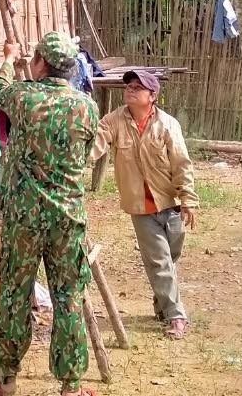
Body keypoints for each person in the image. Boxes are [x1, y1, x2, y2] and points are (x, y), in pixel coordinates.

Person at [0, 32, 100, 396]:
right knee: (68, 297)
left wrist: (8, 56)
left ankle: (6, 380)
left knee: (15, 294)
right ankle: (71, 385)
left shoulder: (22, 97)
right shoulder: (86, 107)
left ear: (40, 63)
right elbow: (85, 152)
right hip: (67, 219)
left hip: (23, 219)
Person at [90, 69, 198, 340]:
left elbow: (182, 164)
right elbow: (96, 143)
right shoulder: (114, 120)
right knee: (159, 261)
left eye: (138, 87)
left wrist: (188, 200)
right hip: (141, 208)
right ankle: (177, 316)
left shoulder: (168, 125)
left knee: (169, 259)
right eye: (128, 86)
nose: (130, 90)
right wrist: (73, 159)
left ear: (152, 96)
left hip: (170, 203)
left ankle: (163, 303)